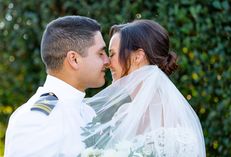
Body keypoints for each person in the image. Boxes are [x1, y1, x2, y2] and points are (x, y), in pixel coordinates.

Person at [81, 20, 206, 157]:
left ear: (138, 57)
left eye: (112, 54)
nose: (108, 63)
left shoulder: (176, 124)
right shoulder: (123, 113)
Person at [4, 15, 109, 157]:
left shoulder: (87, 111)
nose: (107, 61)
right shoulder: (36, 119)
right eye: (100, 53)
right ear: (74, 59)